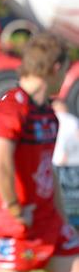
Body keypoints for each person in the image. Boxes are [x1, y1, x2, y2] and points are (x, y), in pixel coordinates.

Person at [0, 33, 79, 272]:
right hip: (16, 224)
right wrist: (14, 207)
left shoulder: (47, 112)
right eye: (66, 67)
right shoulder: (11, 107)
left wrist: (63, 221)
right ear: (55, 67)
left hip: (49, 222)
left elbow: (47, 171)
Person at [52, 98, 79, 228]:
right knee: (74, 197)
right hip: (71, 163)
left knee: (62, 197)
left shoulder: (52, 118)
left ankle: (65, 224)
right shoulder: (71, 120)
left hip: (57, 163)